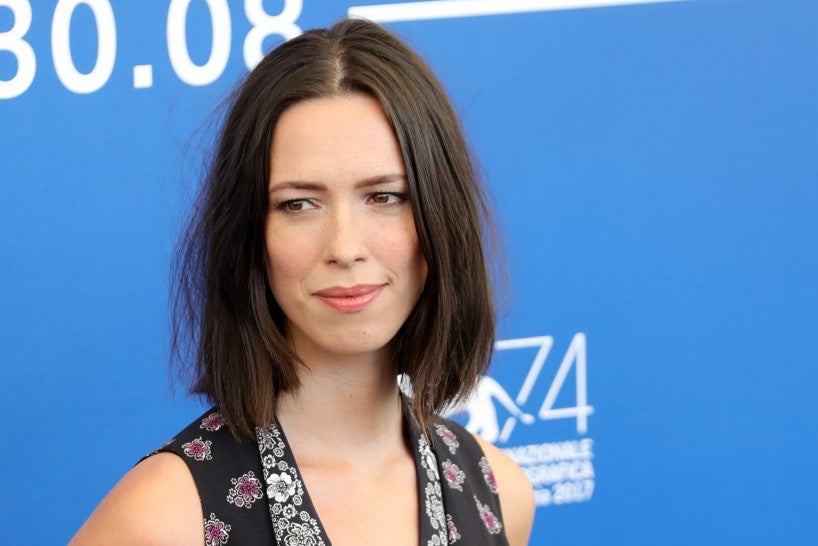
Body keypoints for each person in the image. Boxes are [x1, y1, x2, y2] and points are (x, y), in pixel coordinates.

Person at [72, 17, 535, 545]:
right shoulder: (165, 520)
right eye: (299, 204)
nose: (344, 247)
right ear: (251, 235)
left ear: (440, 216)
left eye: (385, 197)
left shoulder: (498, 492)